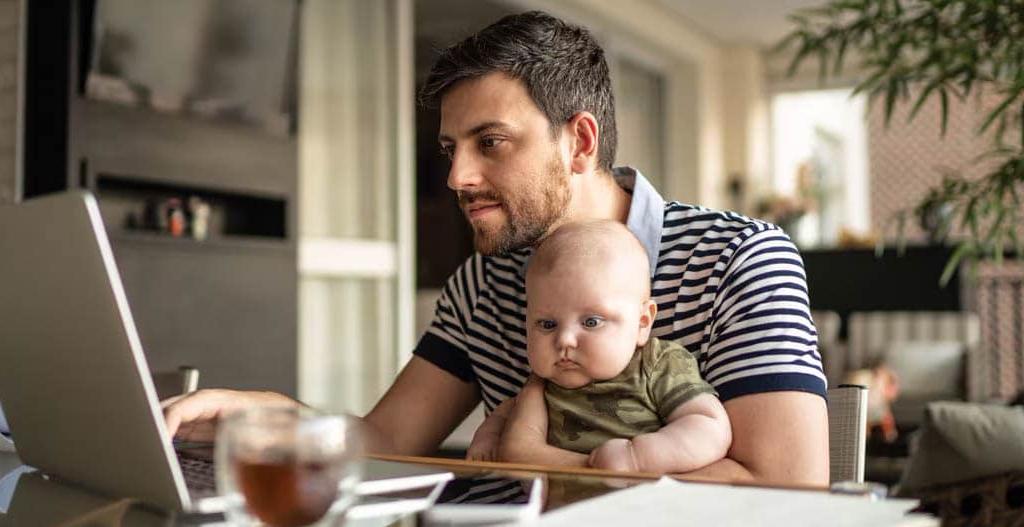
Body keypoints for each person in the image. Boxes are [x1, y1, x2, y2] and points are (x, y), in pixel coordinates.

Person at [163, 10, 829, 485]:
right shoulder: (480, 287)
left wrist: (558, 466)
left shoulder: (739, 258)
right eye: (452, 149)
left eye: (492, 142)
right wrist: (265, 413)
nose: (457, 177)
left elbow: (792, 488)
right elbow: (388, 442)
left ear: (580, 142)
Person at [466, 220, 732, 474]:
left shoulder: (656, 364)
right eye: (547, 325)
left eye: (591, 322)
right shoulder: (543, 385)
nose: (565, 340)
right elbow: (505, 413)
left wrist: (637, 457)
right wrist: (488, 437)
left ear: (642, 323)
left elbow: (709, 425)